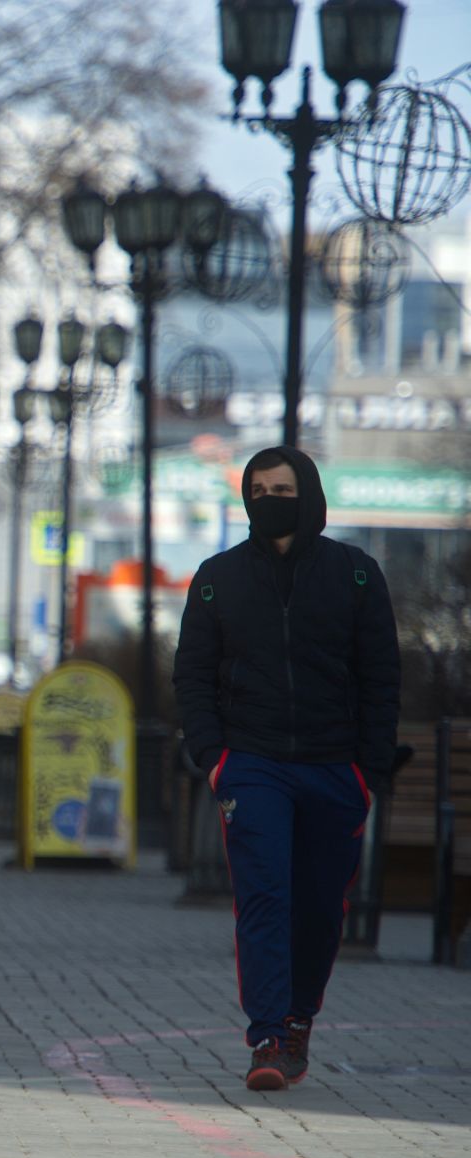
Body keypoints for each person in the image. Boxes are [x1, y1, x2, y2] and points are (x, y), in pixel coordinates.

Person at [173, 445, 399, 1091]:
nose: (269, 499)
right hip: (252, 765)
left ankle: (300, 1019)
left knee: (321, 907)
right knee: (265, 896)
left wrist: (369, 771)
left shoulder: (355, 575)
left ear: (310, 494)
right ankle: (268, 1035)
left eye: (282, 488)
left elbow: (381, 677)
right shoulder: (218, 577)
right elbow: (192, 674)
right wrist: (214, 757)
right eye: (258, 489)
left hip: (336, 769)